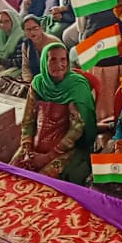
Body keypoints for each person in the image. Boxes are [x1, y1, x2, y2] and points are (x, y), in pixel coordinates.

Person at [12, 43, 97, 185]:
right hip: (36, 143)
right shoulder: (38, 83)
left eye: (63, 59)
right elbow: (28, 120)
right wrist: (27, 149)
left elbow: (76, 130)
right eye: (53, 59)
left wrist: (47, 157)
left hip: (66, 148)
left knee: (42, 181)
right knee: (13, 172)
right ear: (44, 62)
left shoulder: (77, 88)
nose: (59, 64)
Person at [19, 14, 59, 83]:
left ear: (41, 28)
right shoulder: (26, 45)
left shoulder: (53, 42)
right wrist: (28, 82)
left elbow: (60, 66)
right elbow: (26, 67)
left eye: (35, 28)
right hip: (36, 80)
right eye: (28, 29)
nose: (32, 32)